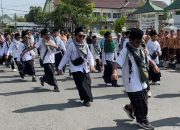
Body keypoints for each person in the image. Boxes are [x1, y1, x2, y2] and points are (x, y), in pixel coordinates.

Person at [112, 28, 159, 130]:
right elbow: (116, 62)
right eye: (137, 41)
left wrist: (155, 66)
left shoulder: (141, 49)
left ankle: (129, 108)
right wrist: (114, 72)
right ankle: (142, 120)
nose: (139, 43)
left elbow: (148, 59)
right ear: (130, 40)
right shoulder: (125, 51)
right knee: (141, 102)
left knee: (143, 99)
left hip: (142, 80)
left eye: (140, 41)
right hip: (131, 82)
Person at [58, 27, 95, 107]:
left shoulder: (85, 45)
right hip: (75, 68)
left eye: (83, 36)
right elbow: (66, 57)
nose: (82, 38)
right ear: (75, 36)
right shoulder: (72, 45)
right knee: (81, 85)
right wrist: (60, 68)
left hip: (84, 68)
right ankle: (86, 100)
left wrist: (91, 65)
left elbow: (90, 56)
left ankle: (86, 98)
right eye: (80, 36)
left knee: (88, 83)